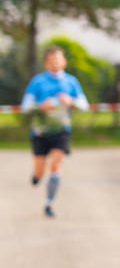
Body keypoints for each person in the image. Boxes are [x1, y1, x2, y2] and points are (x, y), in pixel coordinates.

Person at [21, 47, 89, 218]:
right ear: (46, 63)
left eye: (57, 60)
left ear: (63, 61)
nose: (55, 63)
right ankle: (36, 176)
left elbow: (84, 105)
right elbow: (25, 106)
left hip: (61, 131)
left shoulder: (71, 82)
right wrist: (41, 106)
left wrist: (70, 101)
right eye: (51, 60)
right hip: (41, 132)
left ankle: (49, 204)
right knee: (40, 171)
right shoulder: (38, 82)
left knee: (56, 165)